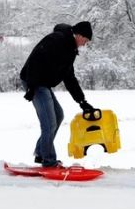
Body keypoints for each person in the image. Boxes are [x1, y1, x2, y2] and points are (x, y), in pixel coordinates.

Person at [19, 21, 95, 167]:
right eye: (85, 40)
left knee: (58, 116)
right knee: (49, 122)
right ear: (78, 35)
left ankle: (41, 152)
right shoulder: (57, 40)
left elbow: (69, 78)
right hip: (34, 81)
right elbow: (35, 59)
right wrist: (31, 86)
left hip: (43, 83)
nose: (84, 44)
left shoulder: (70, 50)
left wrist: (82, 101)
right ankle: (48, 161)